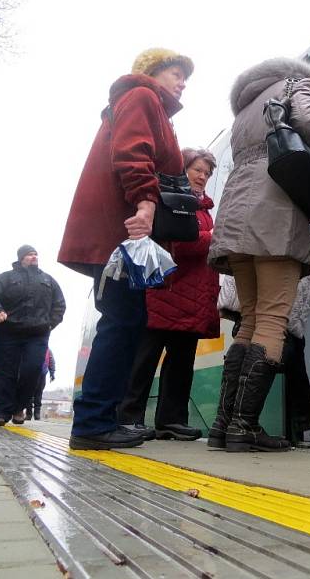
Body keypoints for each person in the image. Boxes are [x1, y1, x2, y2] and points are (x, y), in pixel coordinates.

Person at [208, 57, 310, 452]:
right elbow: (308, 120)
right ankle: (245, 426)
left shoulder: (244, 111)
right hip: (274, 209)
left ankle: (223, 424)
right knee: (272, 319)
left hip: (235, 212)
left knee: (249, 320)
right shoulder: (296, 85)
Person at [58, 47, 193, 450]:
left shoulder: (148, 104)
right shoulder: (142, 95)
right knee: (121, 322)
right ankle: (94, 424)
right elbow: (134, 154)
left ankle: (104, 418)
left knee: (127, 321)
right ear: (152, 72)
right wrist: (146, 204)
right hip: (122, 231)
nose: (182, 81)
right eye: (176, 72)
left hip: (119, 231)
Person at [118, 147, 220, 441]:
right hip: (166, 291)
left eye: (207, 173)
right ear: (183, 169)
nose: (202, 177)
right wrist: (213, 239)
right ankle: (129, 417)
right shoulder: (170, 199)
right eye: (197, 170)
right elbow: (180, 243)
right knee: (145, 359)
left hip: (193, 296)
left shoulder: (203, 209)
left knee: (181, 362)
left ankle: (171, 420)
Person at [217, 245, 310, 444]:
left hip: (242, 253)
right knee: (279, 340)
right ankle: (244, 425)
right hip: (269, 264)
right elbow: (291, 237)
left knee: (254, 333)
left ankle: (223, 424)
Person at [0, 246, 66, 427]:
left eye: (36, 253)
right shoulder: (5, 278)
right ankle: (0, 412)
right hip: (7, 332)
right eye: (30, 254)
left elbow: (59, 304)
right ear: (21, 258)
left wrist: (50, 323)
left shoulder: (48, 280)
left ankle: (18, 407)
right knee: (5, 372)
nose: (34, 256)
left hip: (37, 334)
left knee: (32, 370)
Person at [26, 348, 55, 420]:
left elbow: (51, 361)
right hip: (37, 374)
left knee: (32, 395)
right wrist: (52, 373)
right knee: (36, 395)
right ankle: (35, 414)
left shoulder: (46, 350)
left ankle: (32, 414)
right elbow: (51, 361)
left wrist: (52, 372)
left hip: (36, 374)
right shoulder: (47, 349)